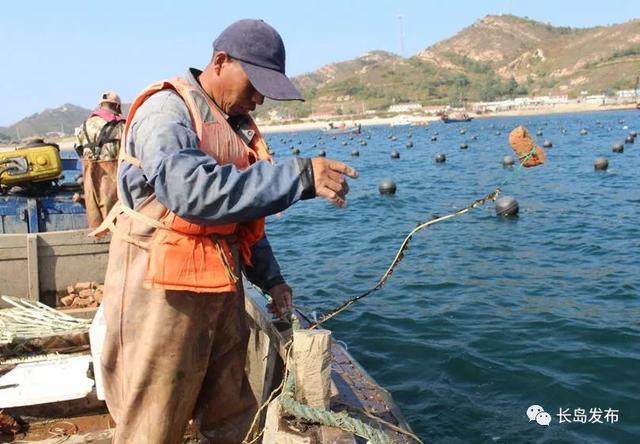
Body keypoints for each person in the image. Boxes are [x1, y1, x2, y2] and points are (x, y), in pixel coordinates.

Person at [92, 19, 357, 443]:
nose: (259, 99)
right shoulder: (168, 110)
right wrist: (299, 178)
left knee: (233, 413)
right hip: (161, 295)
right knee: (152, 421)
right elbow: (190, 192)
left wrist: (271, 279)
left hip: (220, 292)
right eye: (255, 84)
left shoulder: (233, 124)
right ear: (220, 62)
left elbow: (238, 212)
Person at [74, 91, 125, 227]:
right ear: (117, 107)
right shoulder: (120, 126)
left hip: (90, 175)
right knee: (114, 215)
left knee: (93, 211)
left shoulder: (84, 126)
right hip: (111, 176)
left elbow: (79, 149)